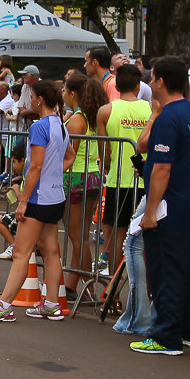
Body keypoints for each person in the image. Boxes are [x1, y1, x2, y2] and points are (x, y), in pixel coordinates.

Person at [132, 56, 190, 356]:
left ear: (161, 81)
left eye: (152, 78)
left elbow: (163, 168)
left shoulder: (168, 117)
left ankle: (166, 336)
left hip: (171, 207)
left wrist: (150, 212)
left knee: (167, 272)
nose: (150, 83)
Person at [0, 80, 68, 322]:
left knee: (21, 252)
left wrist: (23, 199)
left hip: (38, 198)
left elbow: (35, 165)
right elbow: (67, 157)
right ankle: (51, 304)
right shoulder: (61, 124)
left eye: (32, 97)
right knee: (50, 251)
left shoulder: (40, 126)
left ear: (40, 99)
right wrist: (52, 173)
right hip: (56, 196)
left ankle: (4, 305)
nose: (30, 101)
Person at [97, 64, 152, 270]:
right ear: (138, 86)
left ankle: (114, 284)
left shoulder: (105, 111)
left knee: (117, 238)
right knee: (144, 239)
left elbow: (104, 152)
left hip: (117, 180)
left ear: (117, 87)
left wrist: (108, 166)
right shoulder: (151, 110)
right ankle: (141, 286)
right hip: (146, 180)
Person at [61, 72, 109, 282]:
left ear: (73, 93)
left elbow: (68, 154)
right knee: (82, 236)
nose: (62, 93)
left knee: (78, 238)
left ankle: (88, 288)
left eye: (64, 89)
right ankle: (72, 286)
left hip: (76, 178)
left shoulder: (77, 119)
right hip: (92, 177)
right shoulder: (93, 117)